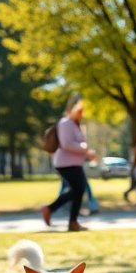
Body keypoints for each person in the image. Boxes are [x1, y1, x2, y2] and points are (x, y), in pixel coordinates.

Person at [40, 95, 98, 232]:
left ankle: (71, 221)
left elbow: (77, 145)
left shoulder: (74, 125)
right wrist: (84, 149)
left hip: (74, 163)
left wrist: (87, 153)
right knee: (78, 189)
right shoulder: (65, 123)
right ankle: (52, 210)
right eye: (80, 111)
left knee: (78, 190)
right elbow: (66, 144)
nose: (82, 114)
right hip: (66, 164)